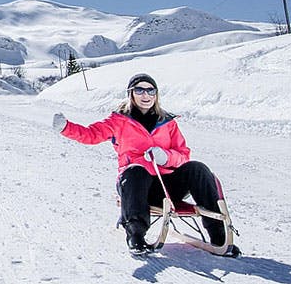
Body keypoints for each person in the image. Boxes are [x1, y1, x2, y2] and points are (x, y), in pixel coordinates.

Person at [52, 73, 237, 256]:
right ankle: (136, 235)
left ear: (156, 95)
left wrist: (165, 157)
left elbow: (183, 155)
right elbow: (91, 134)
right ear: (131, 93)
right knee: (136, 171)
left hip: (167, 187)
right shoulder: (119, 121)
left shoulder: (167, 122)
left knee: (198, 168)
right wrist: (66, 127)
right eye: (139, 90)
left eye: (150, 90)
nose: (145, 95)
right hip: (136, 186)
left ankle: (219, 235)